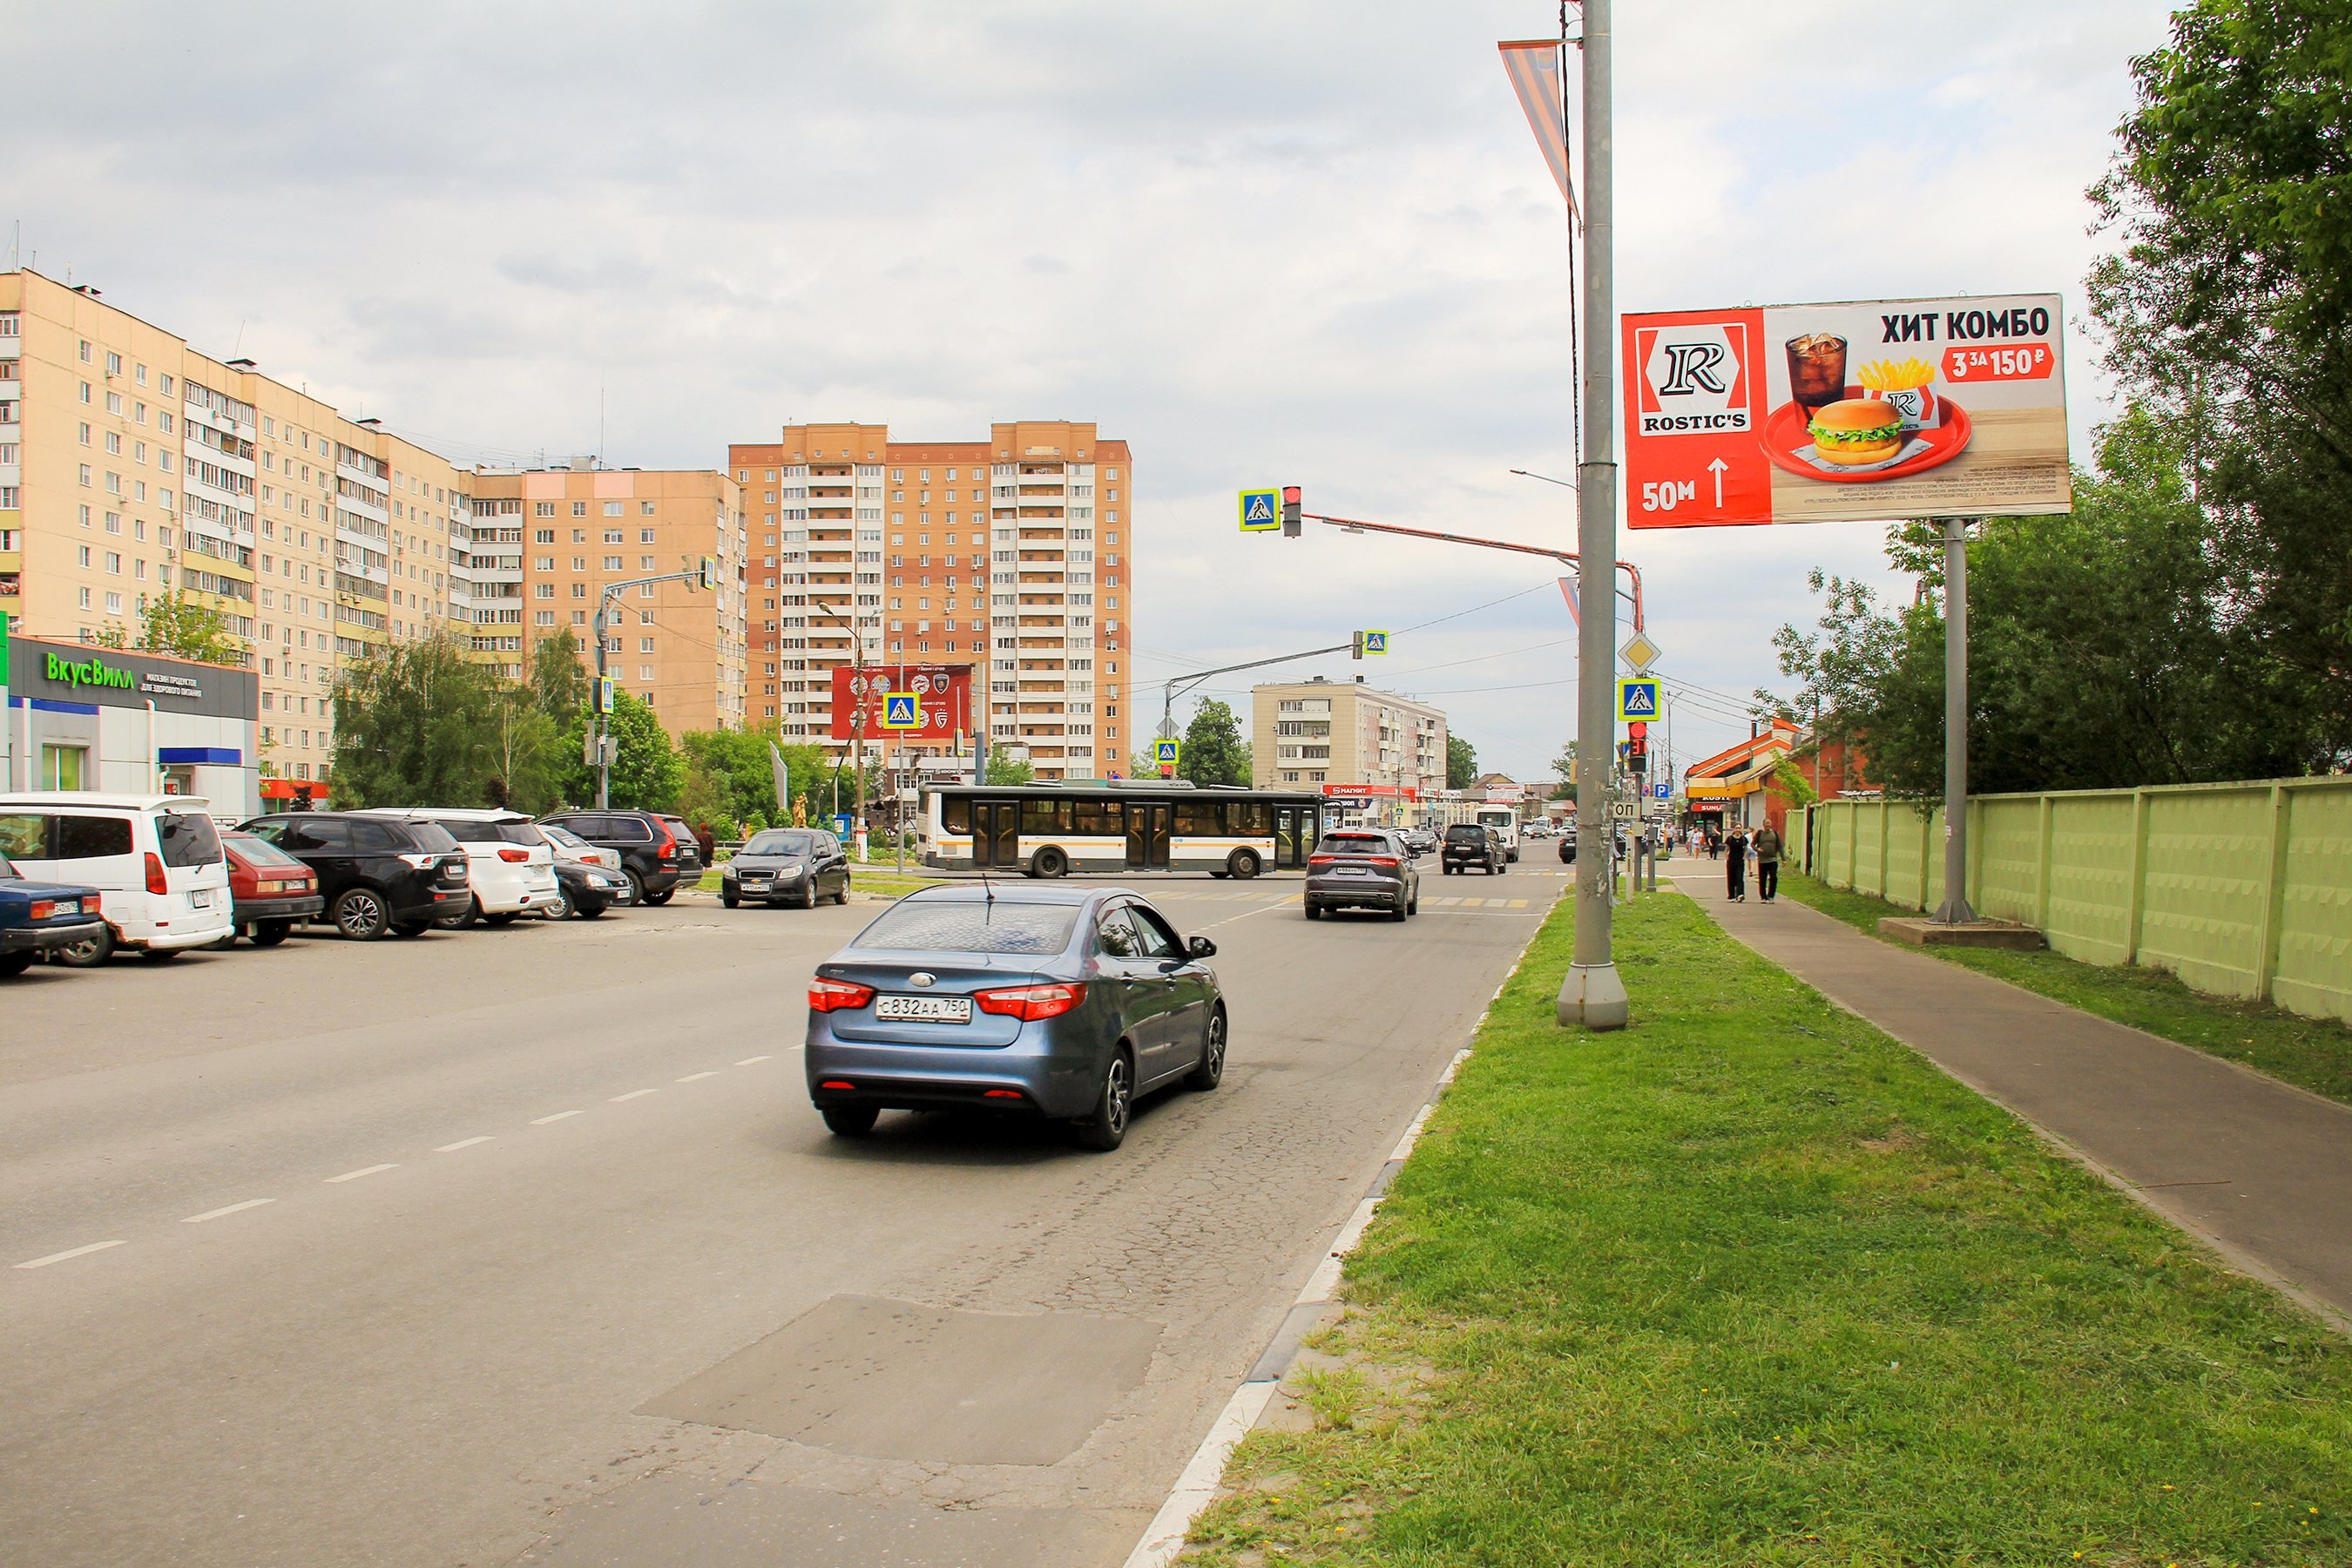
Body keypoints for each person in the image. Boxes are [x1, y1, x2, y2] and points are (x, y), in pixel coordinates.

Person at [1753, 821, 1783, 902]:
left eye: (1769, 825)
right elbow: (1753, 844)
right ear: (1763, 825)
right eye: (1766, 826)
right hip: (1762, 860)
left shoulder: (1775, 834)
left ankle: (1771, 896)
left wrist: (1784, 859)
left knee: (1773, 877)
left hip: (1772, 859)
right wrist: (1757, 849)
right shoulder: (1760, 833)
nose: (1768, 827)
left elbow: (1780, 846)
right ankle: (1763, 897)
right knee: (1763, 878)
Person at [1725, 824, 1748, 902]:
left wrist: (1744, 857)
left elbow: (1746, 849)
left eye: (1739, 828)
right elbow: (1727, 849)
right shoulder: (1730, 839)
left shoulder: (1743, 839)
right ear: (1734, 829)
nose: (1738, 830)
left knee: (1739, 877)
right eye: (1736, 828)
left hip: (1740, 861)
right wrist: (1727, 858)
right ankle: (1731, 896)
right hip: (1731, 860)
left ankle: (1740, 894)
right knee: (1731, 878)